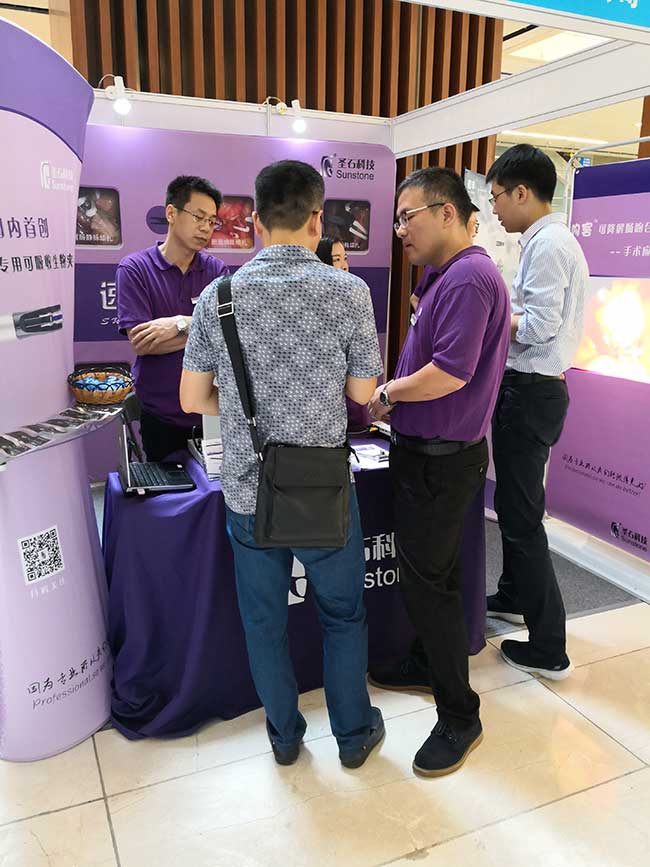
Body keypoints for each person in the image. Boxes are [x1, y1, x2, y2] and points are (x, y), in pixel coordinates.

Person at [180, 160, 385, 769]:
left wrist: (250, 405)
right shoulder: (348, 291)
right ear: (317, 218)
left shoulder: (219, 296)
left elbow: (192, 399)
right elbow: (362, 392)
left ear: (254, 220)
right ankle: (353, 737)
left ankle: (285, 737)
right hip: (324, 489)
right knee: (343, 617)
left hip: (250, 492)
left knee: (264, 623)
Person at [367, 167, 510, 777]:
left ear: (447, 212)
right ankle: (429, 663)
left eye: (409, 216)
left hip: (441, 461)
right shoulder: (445, 276)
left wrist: (387, 393)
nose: (401, 230)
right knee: (432, 579)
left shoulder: (471, 277)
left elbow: (451, 372)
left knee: (432, 588)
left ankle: (460, 713)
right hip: (428, 455)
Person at [485, 144, 588, 680]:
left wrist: (491, 315)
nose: (495, 209)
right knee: (513, 506)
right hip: (532, 390)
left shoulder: (548, 244)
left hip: (530, 391)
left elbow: (540, 326)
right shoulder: (548, 240)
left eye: (498, 197)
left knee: (523, 518)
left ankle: (549, 646)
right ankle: (513, 596)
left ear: (522, 192)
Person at [116, 175, 228, 461]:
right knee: (167, 488)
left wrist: (178, 323)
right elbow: (143, 343)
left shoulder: (216, 271)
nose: (206, 228)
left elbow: (226, 333)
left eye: (212, 221)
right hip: (161, 416)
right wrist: (203, 328)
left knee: (214, 486)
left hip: (210, 411)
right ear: (171, 213)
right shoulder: (135, 269)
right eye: (198, 217)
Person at [410, 203, 479, 311]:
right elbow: (415, 298)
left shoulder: (474, 265)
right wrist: (425, 319)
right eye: (474, 224)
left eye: (477, 225)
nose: (475, 232)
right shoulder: (439, 262)